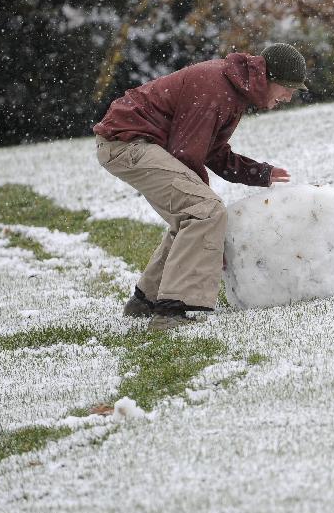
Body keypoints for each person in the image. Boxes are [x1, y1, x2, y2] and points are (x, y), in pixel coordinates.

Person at [93, 43, 307, 329]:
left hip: (132, 142)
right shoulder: (217, 87)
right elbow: (187, 155)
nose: (289, 96)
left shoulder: (233, 89)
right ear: (268, 77)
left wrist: (260, 173)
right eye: (287, 88)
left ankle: (145, 302)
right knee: (204, 211)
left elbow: (212, 150)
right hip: (127, 142)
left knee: (196, 214)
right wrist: (212, 234)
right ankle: (170, 311)